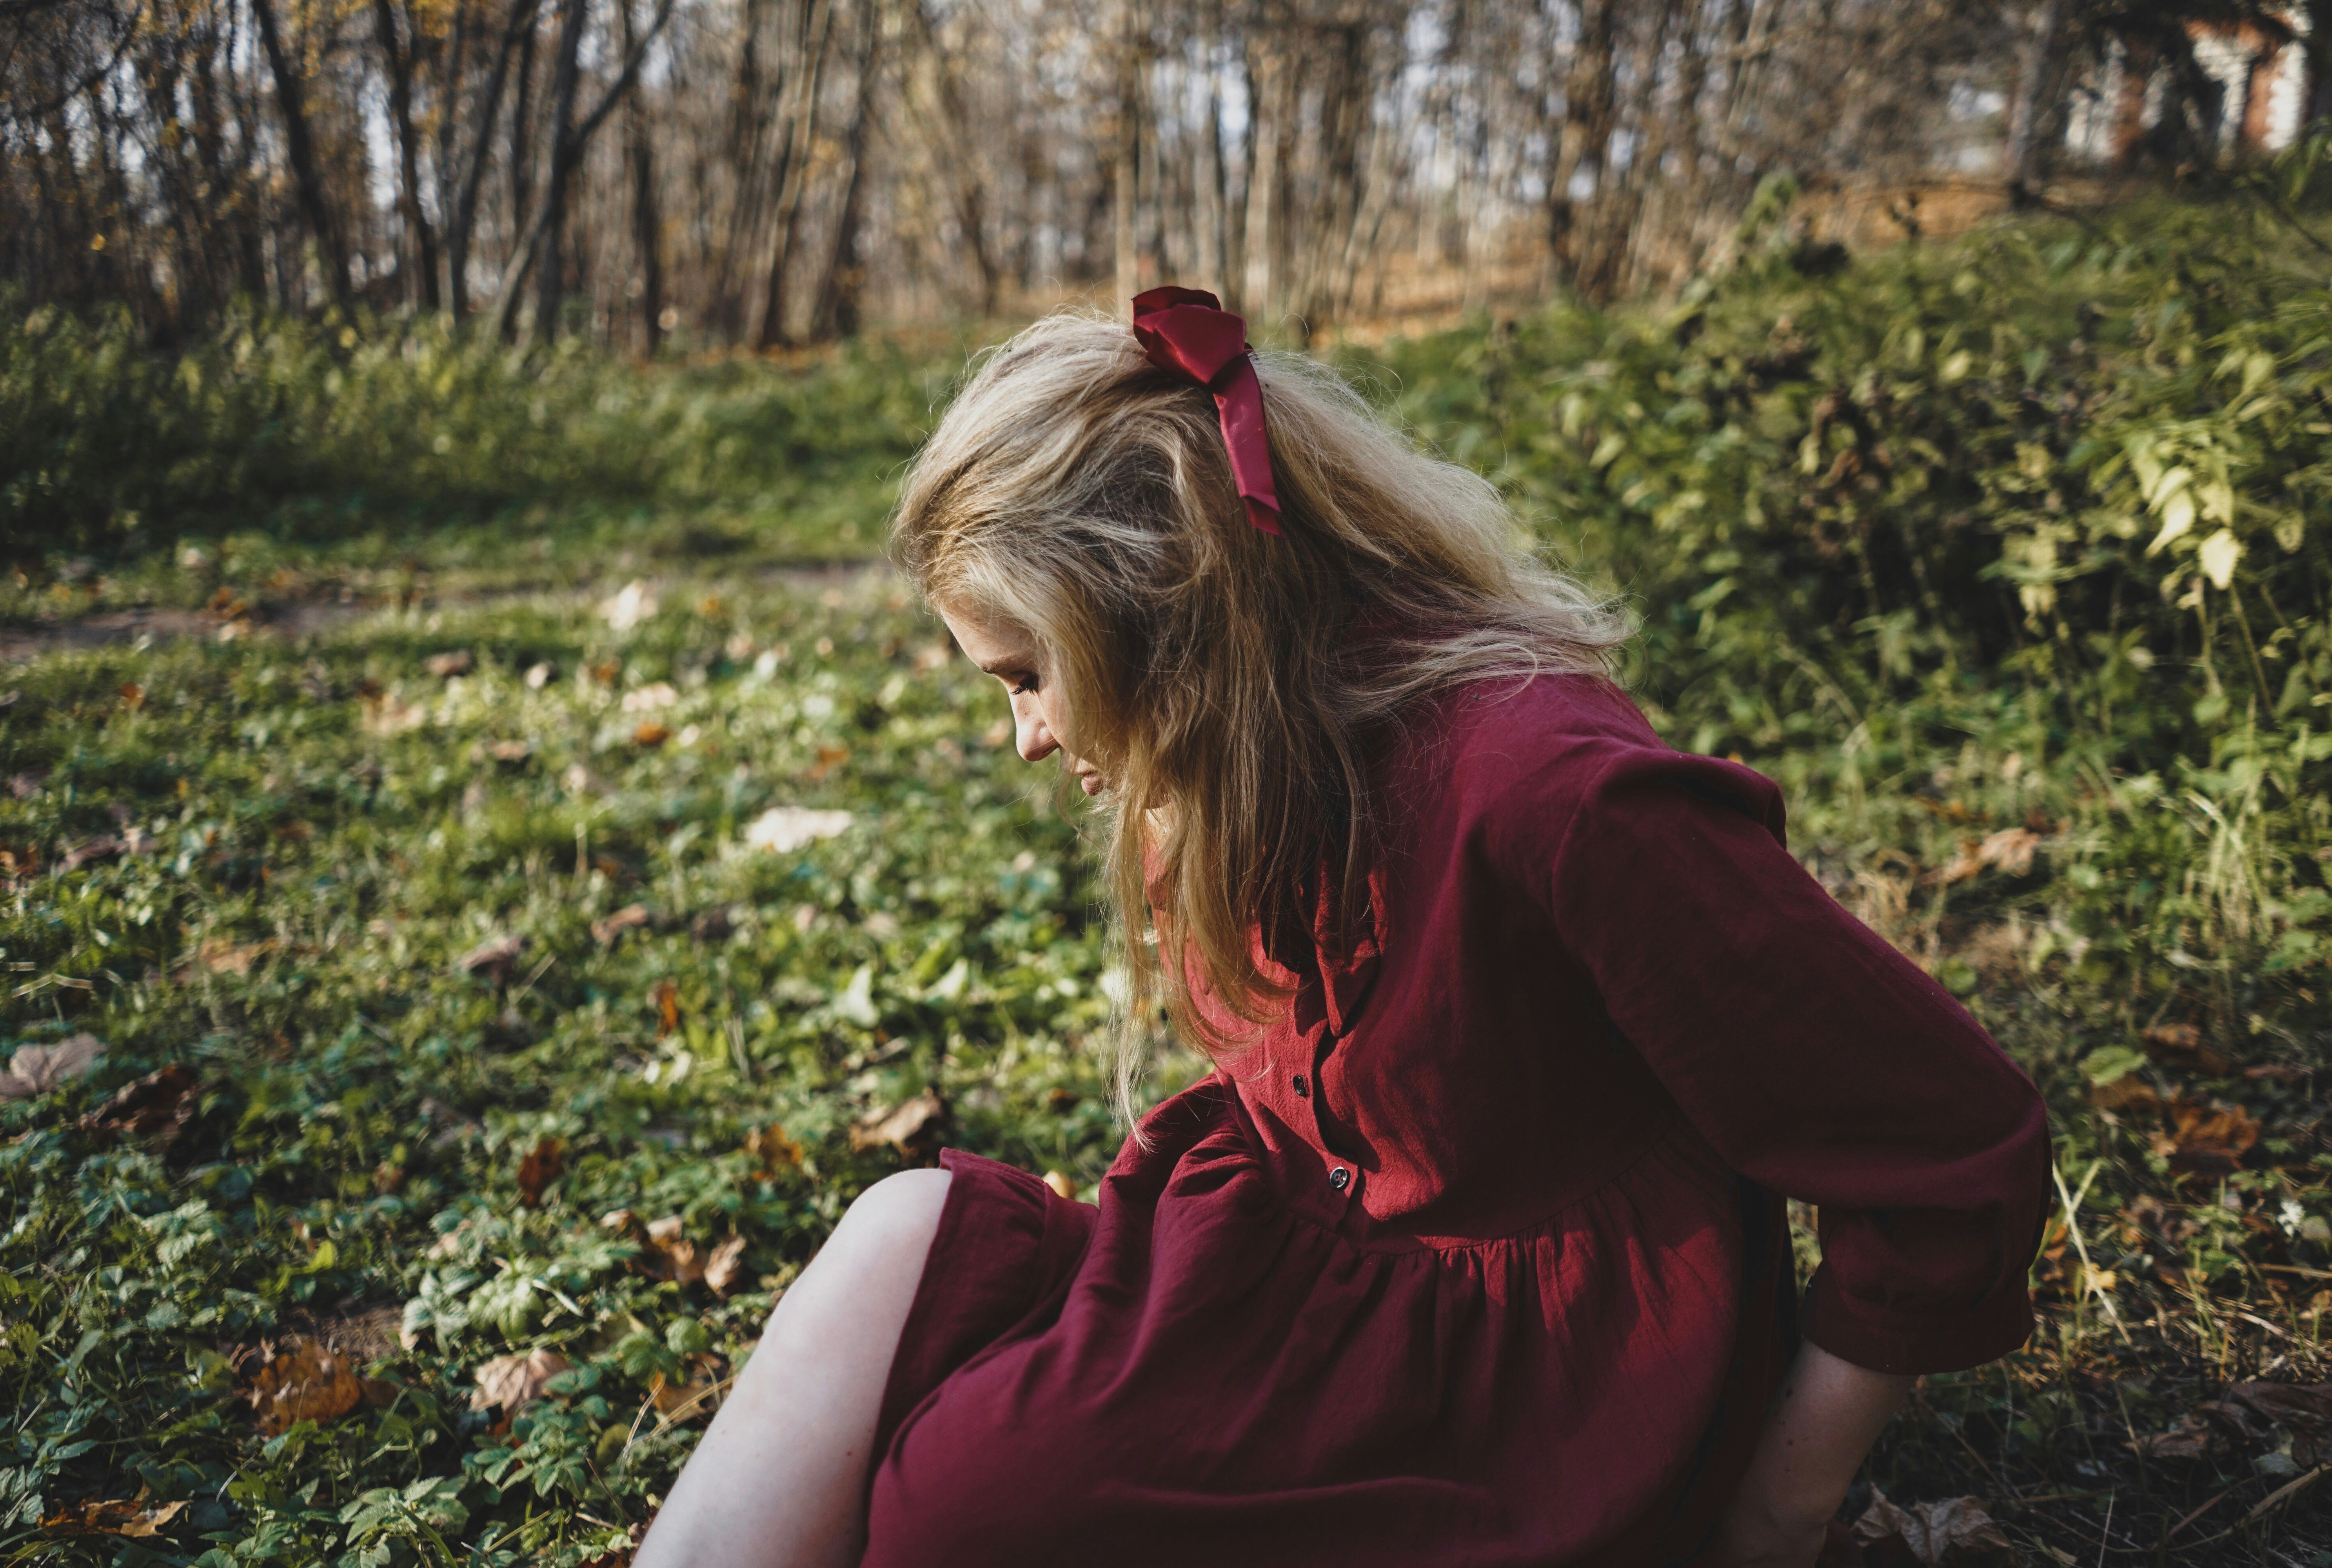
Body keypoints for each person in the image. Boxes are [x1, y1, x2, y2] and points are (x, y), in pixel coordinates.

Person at [634, 290, 2050, 1568]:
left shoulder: (1551, 793)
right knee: (905, 1233)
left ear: (1169, 623)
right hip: (1288, 1267)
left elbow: (1949, 1140)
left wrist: (1776, 1505)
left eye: (1028, 678)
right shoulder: (1241, 749)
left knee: (967, 1516)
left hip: (1524, 1396)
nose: (1025, 740)